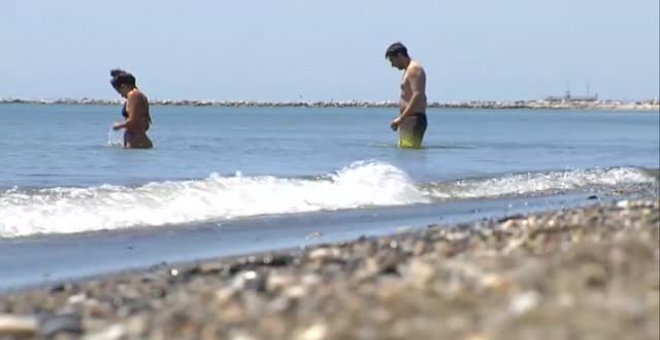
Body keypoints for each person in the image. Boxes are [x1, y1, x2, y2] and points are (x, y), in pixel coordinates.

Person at [385, 42, 428, 148]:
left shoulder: (414, 69)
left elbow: (417, 95)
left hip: (413, 119)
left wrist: (401, 118)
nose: (393, 65)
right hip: (408, 119)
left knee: (410, 153)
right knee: (405, 153)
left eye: (392, 61)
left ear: (399, 55)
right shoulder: (409, 70)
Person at [110, 69, 153, 149]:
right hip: (137, 142)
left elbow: (133, 121)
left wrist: (118, 126)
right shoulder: (138, 95)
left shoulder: (133, 95)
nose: (121, 95)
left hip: (138, 143)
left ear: (124, 86)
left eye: (120, 92)